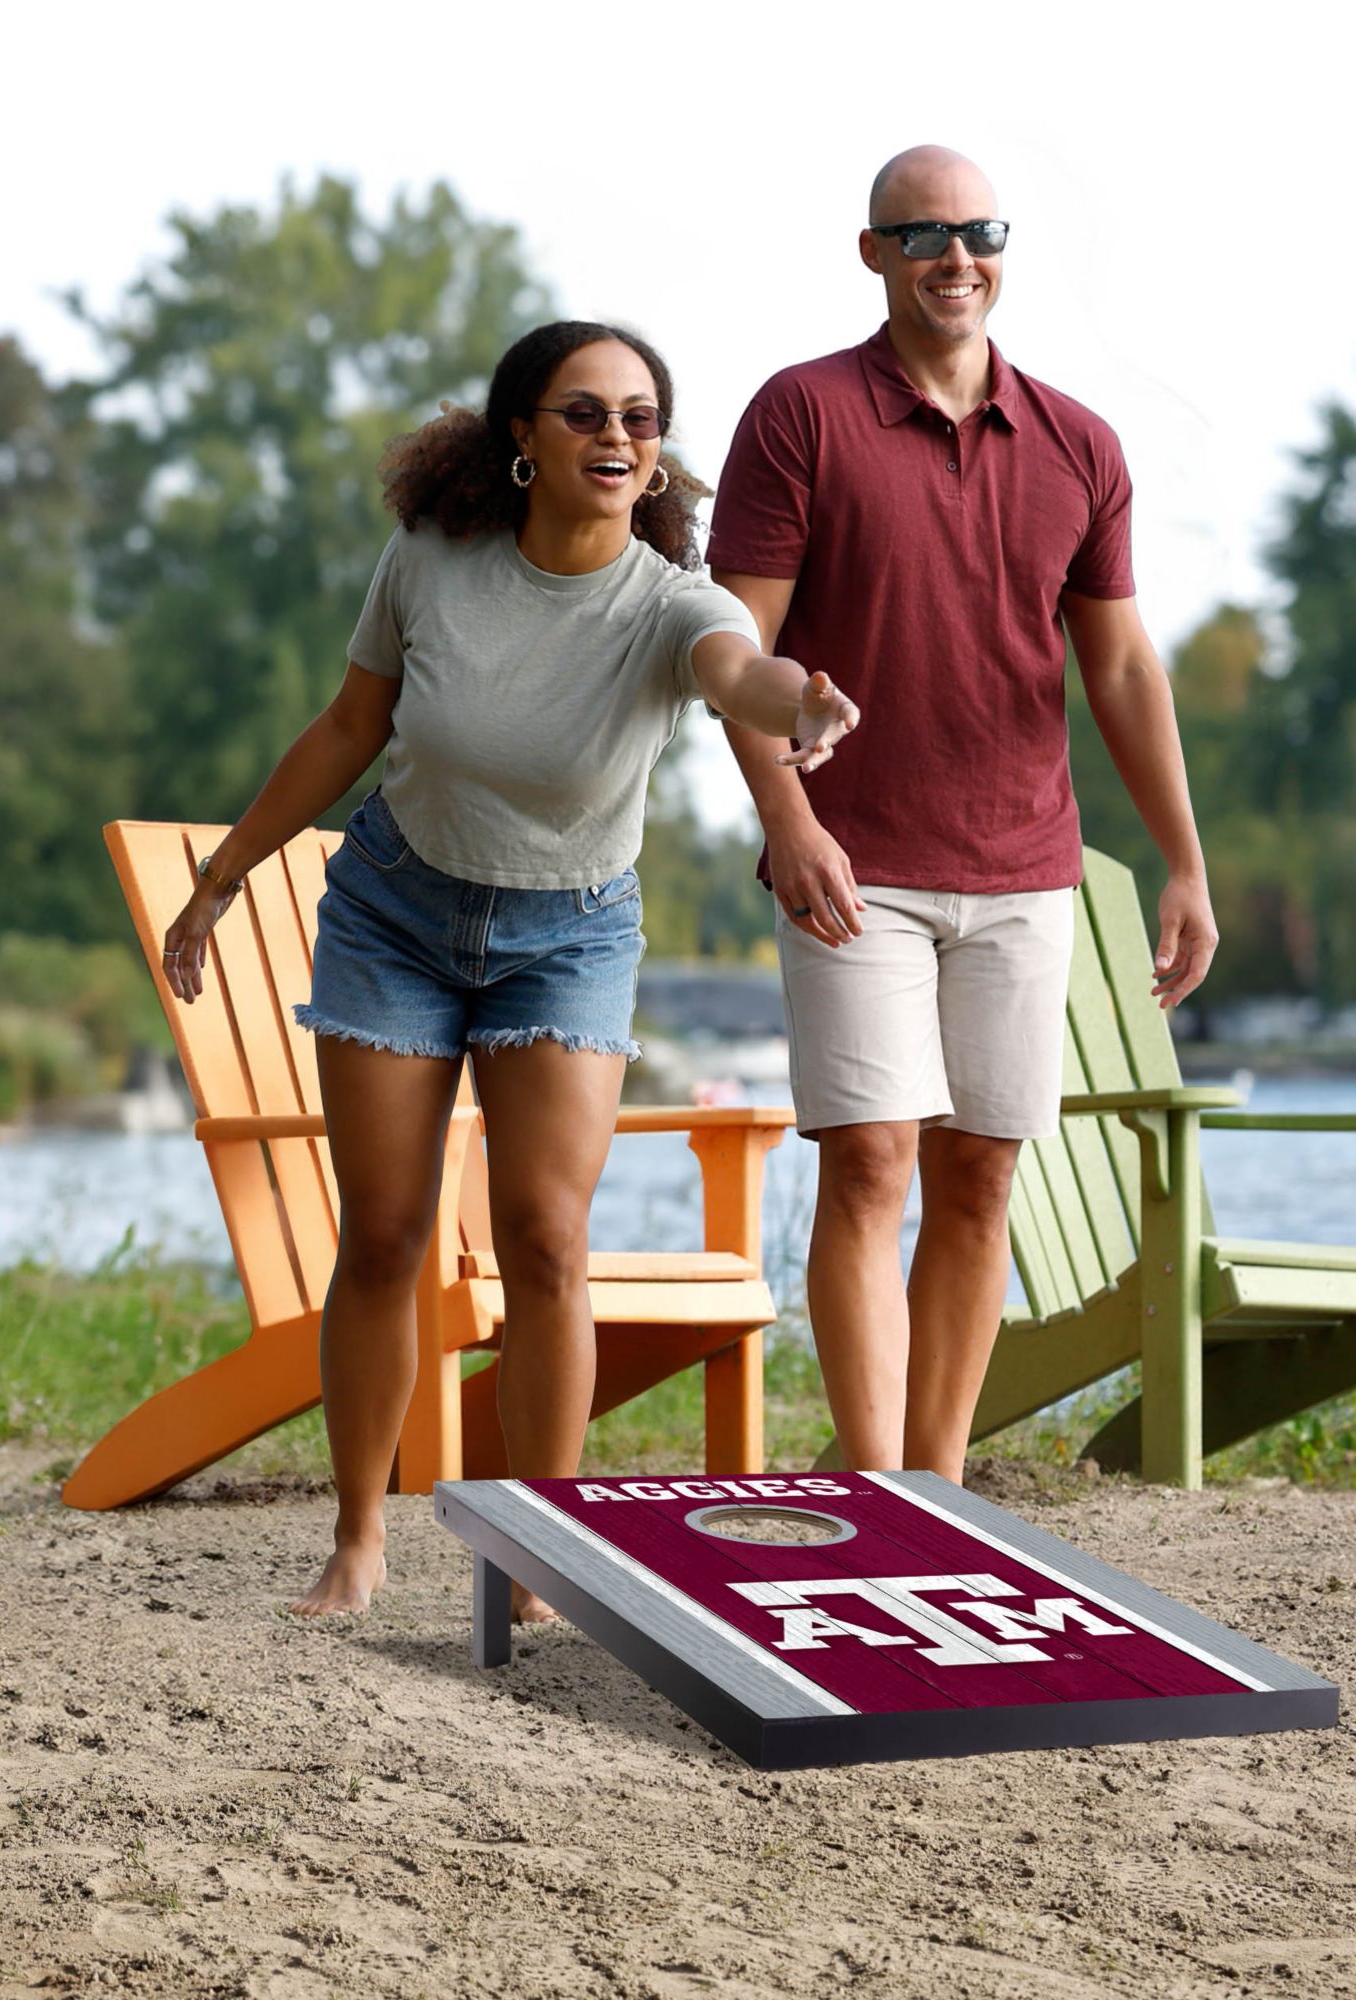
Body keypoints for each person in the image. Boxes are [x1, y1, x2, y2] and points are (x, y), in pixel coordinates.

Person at [160, 320, 859, 1619]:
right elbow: (350, 726)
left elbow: (738, 675)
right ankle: (360, 1540)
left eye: (640, 420)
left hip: (570, 936)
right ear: (523, 440)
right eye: (585, 413)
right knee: (384, 1233)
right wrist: (229, 871)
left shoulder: (672, 603)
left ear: (656, 459)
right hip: (395, 917)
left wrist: (799, 707)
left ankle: (542, 1555)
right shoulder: (432, 561)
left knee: (546, 1238)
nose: (615, 438)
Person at [706, 146, 1216, 1481]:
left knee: (981, 1175)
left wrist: (1182, 862)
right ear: (871, 252)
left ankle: (933, 1481)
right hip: (852, 866)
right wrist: (787, 821)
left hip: (1023, 867)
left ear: (1003, 247)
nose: (954, 256)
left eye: (977, 230)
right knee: (872, 1162)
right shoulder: (799, 416)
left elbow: (1121, 666)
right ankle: (875, 1483)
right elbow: (728, 652)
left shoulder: (1078, 443)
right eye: (921, 233)